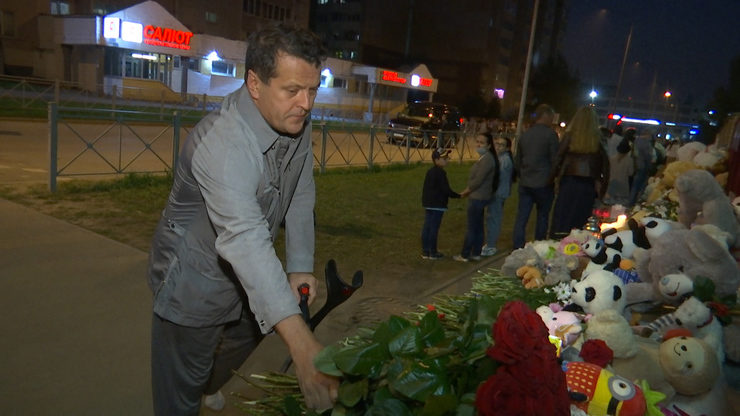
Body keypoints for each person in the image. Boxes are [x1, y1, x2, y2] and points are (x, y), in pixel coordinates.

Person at [146, 24, 338, 415]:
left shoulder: (293, 120)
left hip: (246, 280)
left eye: (312, 90)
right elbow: (245, 237)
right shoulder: (222, 143)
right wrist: (302, 348)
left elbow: (301, 189)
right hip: (193, 284)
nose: (306, 103)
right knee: (179, 393)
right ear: (254, 84)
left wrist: (300, 265)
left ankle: (206, 382)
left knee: (232, 356)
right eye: (292, 90)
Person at [549, 106, 610, 239]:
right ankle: (576, 248)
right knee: (580, 220)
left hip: (569, 182)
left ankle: (557, 245)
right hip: (588, 185)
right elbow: (606, 167)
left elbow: (558, 158)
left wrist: (550, 179)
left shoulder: (570, 137)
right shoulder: (598, 140)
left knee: (562, 218)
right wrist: (602, 190)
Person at [512, 104, 560, 249]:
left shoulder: (526, 134)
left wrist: (521, 175)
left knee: (522, 217)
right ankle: (539, 246)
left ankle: (517, 246)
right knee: (543, 216)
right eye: (552, 117)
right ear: (546, 116)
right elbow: (555, 160)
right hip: (544, 183)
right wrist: (554, 179)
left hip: (526, 182)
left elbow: (518, 160)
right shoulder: (551, 135)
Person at [453, 132, 499, 262]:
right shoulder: (485, 158)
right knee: (478, 226)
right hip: (480, 197)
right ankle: (476, 252)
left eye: (482, 143)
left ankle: (465, 254)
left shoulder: (487, 160)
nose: (478, 145)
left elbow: (477, 180)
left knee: (472, 227)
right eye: (477, 142)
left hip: (478, 197)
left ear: (489, 145)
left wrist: (465, 192)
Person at [421, 147, 461, 259]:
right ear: (437, 159)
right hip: (438, 205)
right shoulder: (441, 173)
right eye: (444, 158)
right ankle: (433, 252)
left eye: (447, 158)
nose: (447, 160)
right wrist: (457, 195)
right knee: (433, 228)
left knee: (427, 227)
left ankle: (425, 250)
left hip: (429, 203)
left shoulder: (430, 172)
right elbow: (445, 190)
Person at [482, 136, 513, 256]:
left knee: (494, 218)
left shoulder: (504, 161)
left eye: (501, 145)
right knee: (491, 218)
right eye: (497, 144)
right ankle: (489, 243)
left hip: (497, 193)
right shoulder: (500, 158)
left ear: (507, 148)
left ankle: (491, 245)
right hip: (497, 192)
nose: (498, 147)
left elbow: (496, 177)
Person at [603, 138, 634, 207]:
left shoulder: (611, 159)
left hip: (611, 185)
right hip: (622, 187)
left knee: (609, 205)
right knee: (619, 207)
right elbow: (630, 173)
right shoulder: (629, 160)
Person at [629, 128, 656, 206]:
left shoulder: (636, 141)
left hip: (636, 165)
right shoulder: (647, 143)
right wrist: (649, 166)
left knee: (634, 185)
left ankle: (631, 201)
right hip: (644, 166)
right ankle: (636, 202)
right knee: (640, 186)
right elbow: (648, 156)